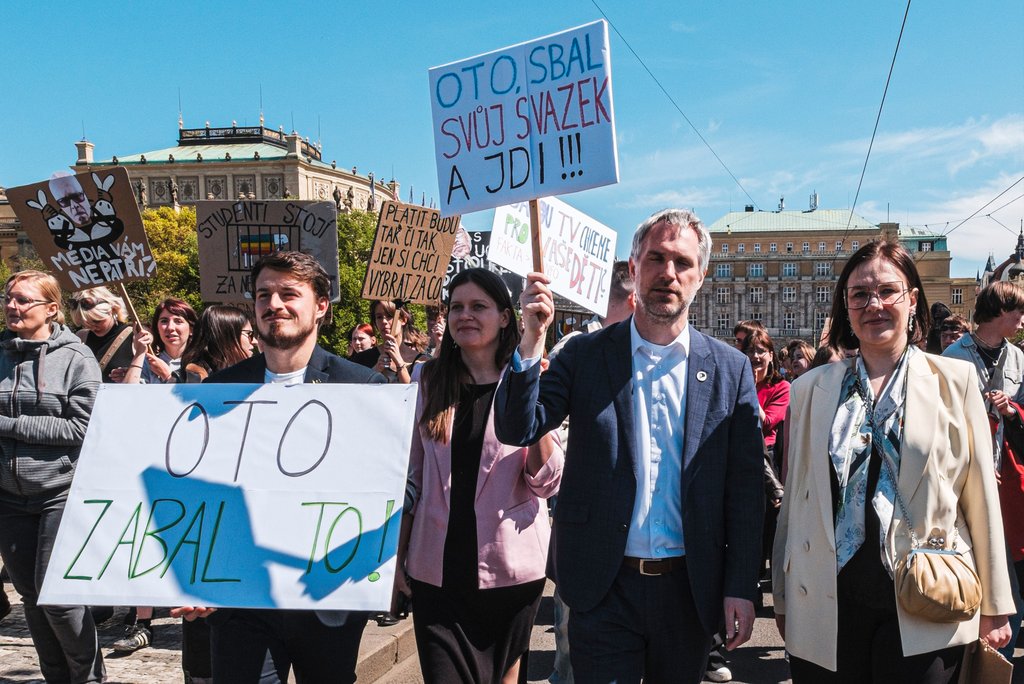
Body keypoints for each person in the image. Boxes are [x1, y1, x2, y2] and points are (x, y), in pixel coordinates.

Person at [494, 208, 765, 683]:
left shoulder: (730, 369)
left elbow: (745, 491)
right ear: (634, 269)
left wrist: (740, 585)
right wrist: (531, 338)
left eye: (682, 262)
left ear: (701, 276)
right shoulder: (585, 355)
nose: (668, 273)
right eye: (656, 258)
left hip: (689, 589)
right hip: (603, 586)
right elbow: (519, 427)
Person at [774, 240, 1014, 681]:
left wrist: (997, 605)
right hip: (829, 597)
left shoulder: (953, 381)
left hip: (927, 594)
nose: (874, 304)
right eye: (860, 294)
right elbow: (797, 499)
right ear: (845, 308)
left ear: (912, 300)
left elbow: (981, 499)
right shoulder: (811, 389)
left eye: (888, 291)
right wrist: (785, 597)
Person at [173, 251, 386, 684]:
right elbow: (192, 489)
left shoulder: (362, 386)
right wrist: (187, 573)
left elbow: (398, 483)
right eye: (264, 295)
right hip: (239, 599)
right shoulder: (219, 389)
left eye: (289, 293)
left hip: (327, 598)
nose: (275, 304)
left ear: (321, 306)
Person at [395, 268, 563, 683]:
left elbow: (548, 482)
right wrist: (395, 557)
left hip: (510, 575)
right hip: (436, 573)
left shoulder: (529, 379)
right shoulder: (427, 380)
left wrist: (531, 392)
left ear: (506, 317)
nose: (464, 315)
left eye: (478, 306)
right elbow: (410, 480)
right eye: (456, 307)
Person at [0, 270, 105, 682]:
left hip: (60, 492)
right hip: (8, 496)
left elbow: (82, 429)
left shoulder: (76, 358)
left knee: (59, 597)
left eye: (24, 300)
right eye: (8, 298)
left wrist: (6, 426)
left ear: (51, 309)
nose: (12, 306)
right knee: (31, 597)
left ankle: (89, 678)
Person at [942, 281, 1024, 658]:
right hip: (966, 481)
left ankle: (998, 660)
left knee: (1008, 569)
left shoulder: (1020, 360)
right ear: (999, 311)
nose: (1022, 319)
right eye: (1018, 311)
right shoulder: (953, 357)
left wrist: (1012, 411)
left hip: (1011, 481)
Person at [118, 297, 198, 385]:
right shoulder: (148, 363)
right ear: (157, 328)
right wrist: (139, 355)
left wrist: (168, 376)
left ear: (192, 329)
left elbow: (198, 397)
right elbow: (129, 395)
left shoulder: (202, 363)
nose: (170, 327)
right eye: (164, 321)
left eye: (178, 321)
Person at [350, 300, 429, 383]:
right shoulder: (363, 359)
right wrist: (376, 370)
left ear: (403, 320)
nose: (384, 321)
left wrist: (400, 364)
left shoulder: (422, 362)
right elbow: (356, 391)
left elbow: (415, 393)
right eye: (379, 317)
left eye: (390, 316)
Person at [69, 286, 136, 384]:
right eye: (85, 323)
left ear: (112, 310)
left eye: (97, 321)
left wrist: (130, 373)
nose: (92, 327)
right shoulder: (81, 337)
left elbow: (150, 376)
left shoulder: (133, 336)